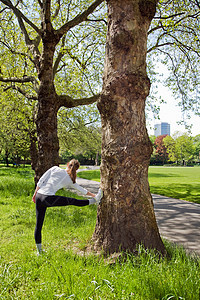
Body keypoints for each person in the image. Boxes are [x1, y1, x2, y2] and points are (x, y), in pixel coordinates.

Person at [32, 159, 102, 254]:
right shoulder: (70, 180)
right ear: (76, 169)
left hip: (39, 196)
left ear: (68, 164)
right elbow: (81, 190)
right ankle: (94, 200)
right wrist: (93, 195)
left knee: (38, 225)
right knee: (73, 201)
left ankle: (39, 252)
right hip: (48, 198)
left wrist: (35, 194)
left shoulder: (54, 168)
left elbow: (41, 180)